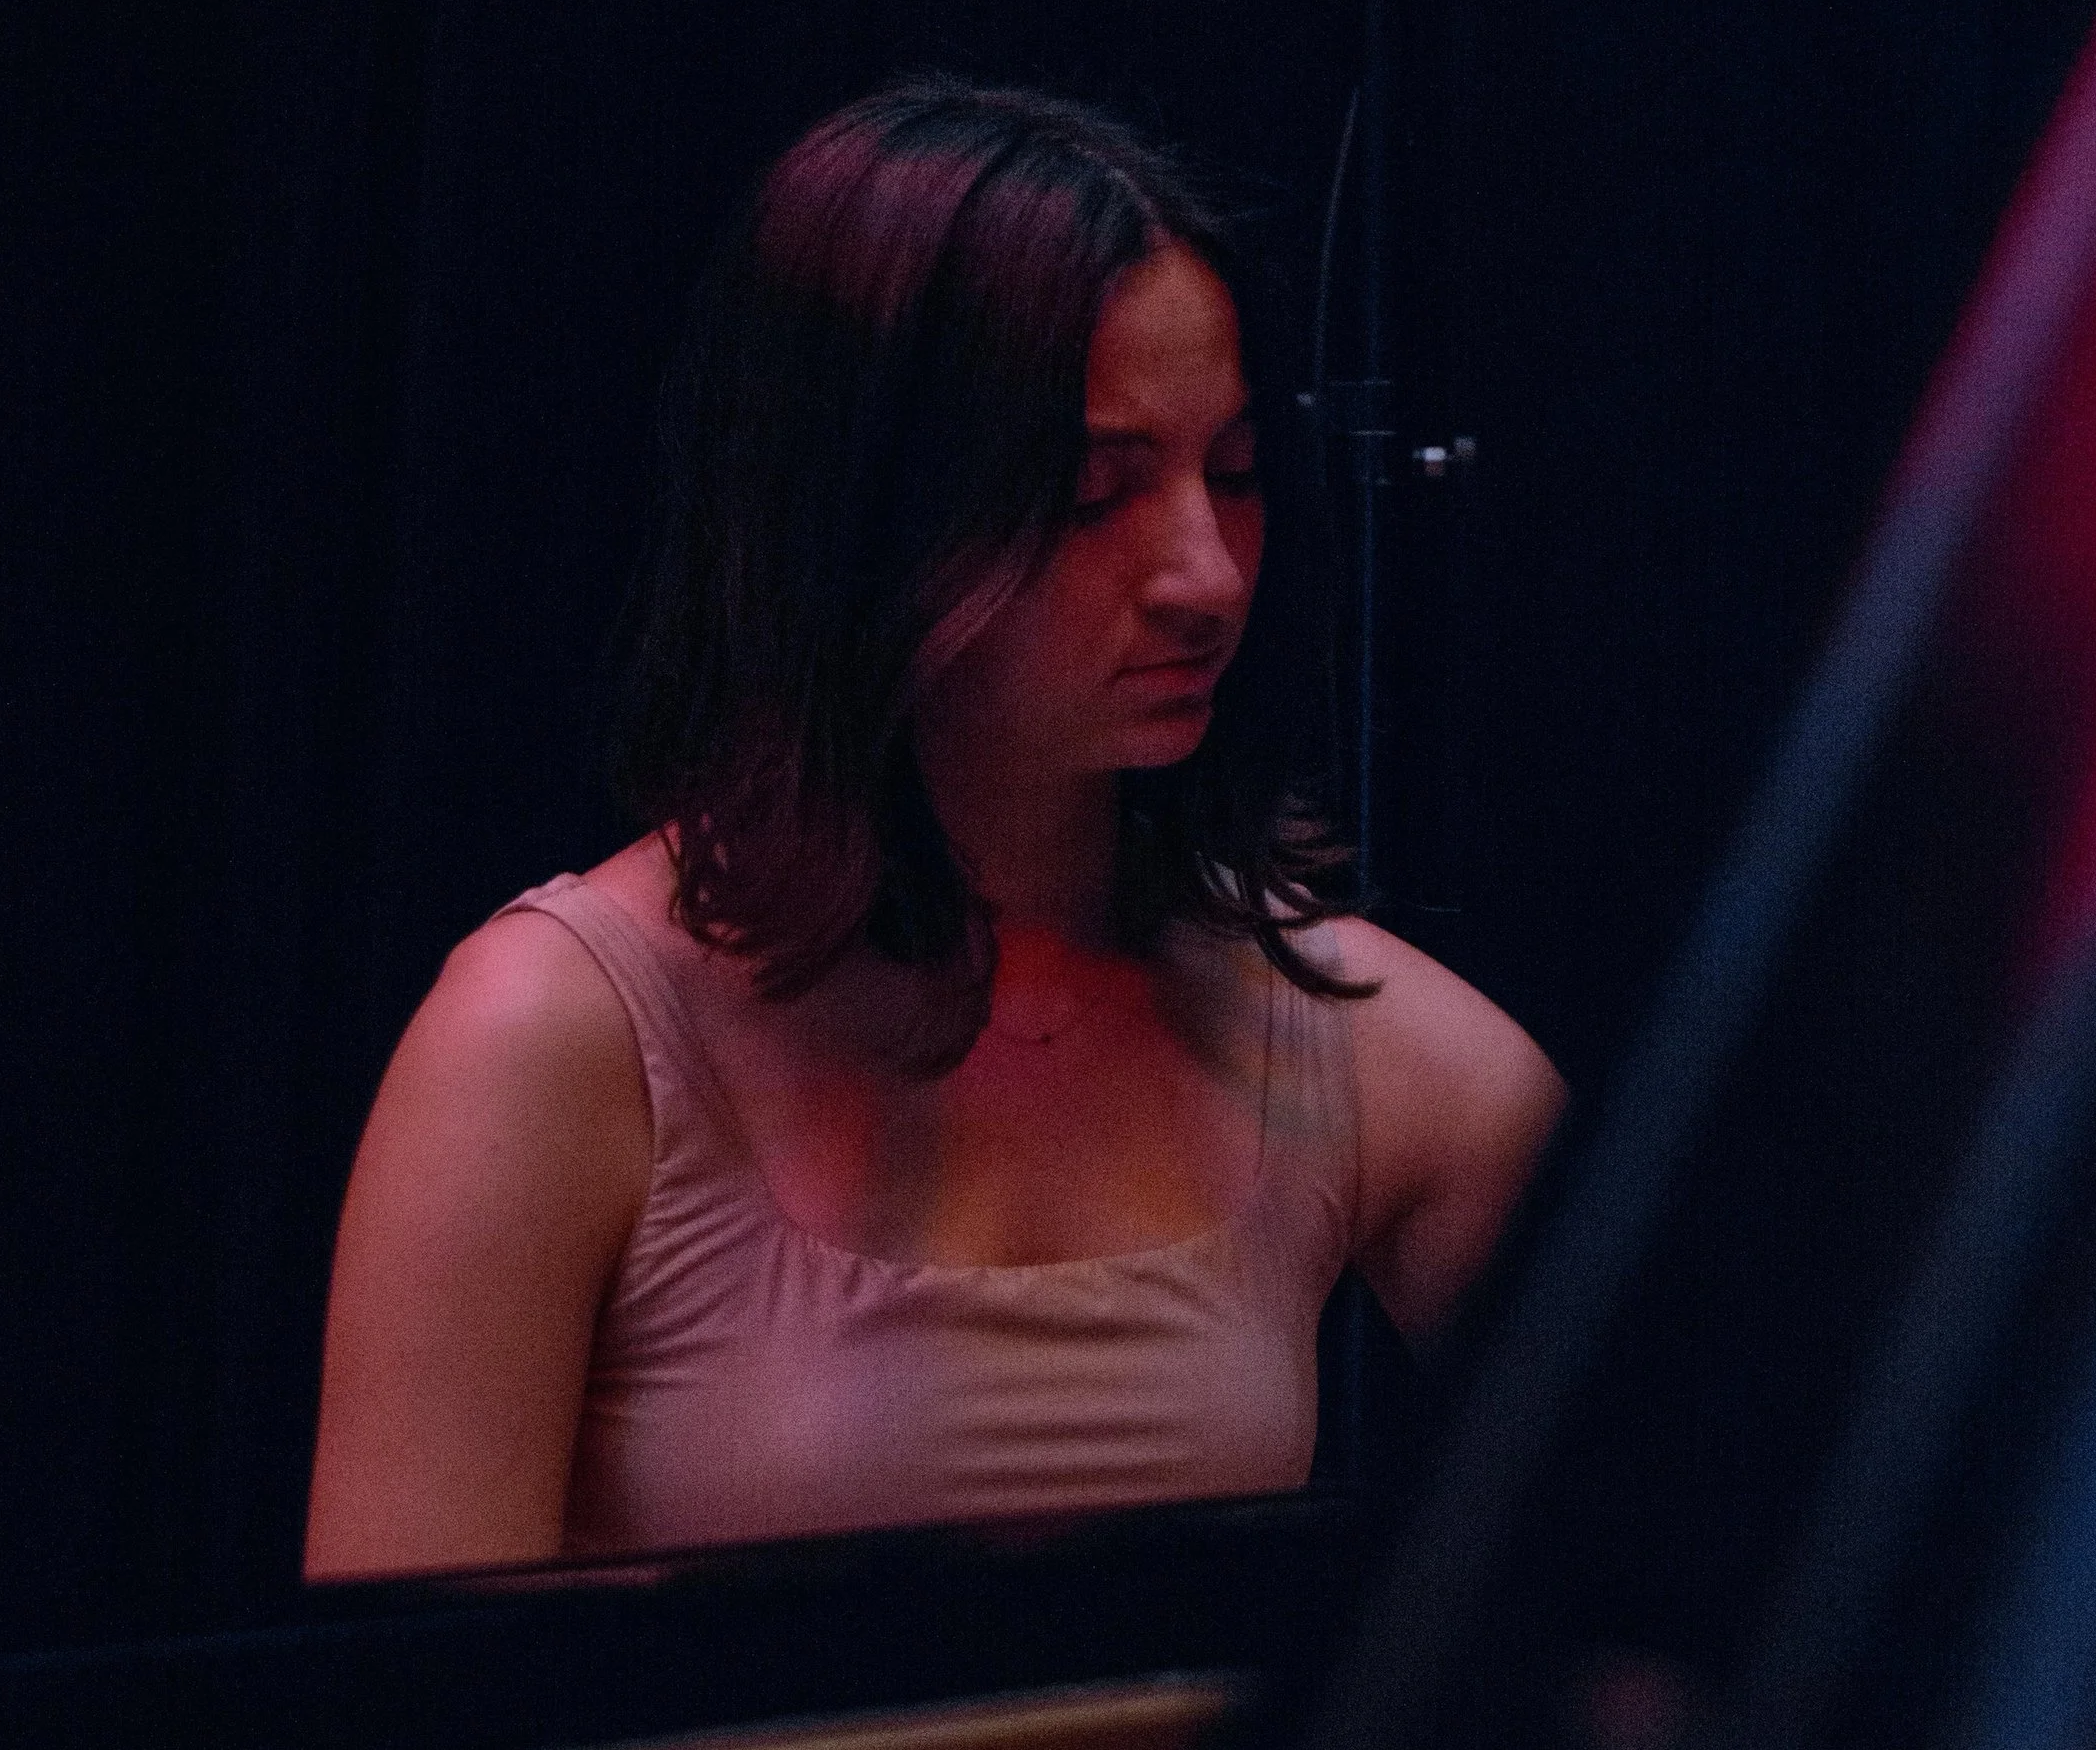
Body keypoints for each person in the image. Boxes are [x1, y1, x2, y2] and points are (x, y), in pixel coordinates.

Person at [303, 80, 1561, 1578]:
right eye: (1097, 494)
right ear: (876, 523)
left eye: (1230, 474)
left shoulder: (1315, 1023)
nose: (1207, 574)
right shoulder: (553, 1038)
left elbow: (1715, 1528)